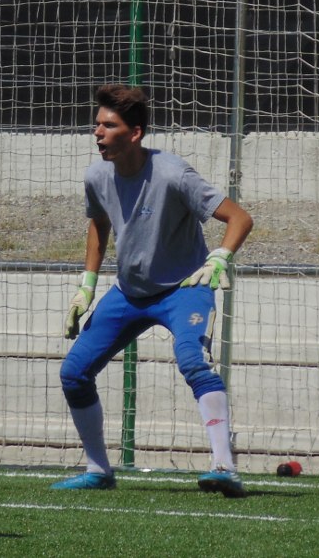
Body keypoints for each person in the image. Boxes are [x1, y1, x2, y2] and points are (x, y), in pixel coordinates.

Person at [54, 83, 254, 497]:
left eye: (108, 125)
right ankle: (98, 470)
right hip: (129, 292)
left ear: (135, 133)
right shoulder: (96, 176)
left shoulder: (172, 173)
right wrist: (86, 286)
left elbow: (239, 218)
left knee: (193, 362)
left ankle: (225, 467)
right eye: (97, 124)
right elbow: (98, 225)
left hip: (184, 288)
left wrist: (219, 257)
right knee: (73, 373)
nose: (98, 132)